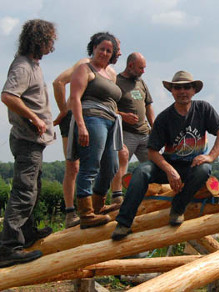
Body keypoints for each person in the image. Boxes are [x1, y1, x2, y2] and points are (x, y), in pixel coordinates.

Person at [111, 71, 219, 240]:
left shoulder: (203, 108)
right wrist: (169, 170)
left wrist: (210, 156)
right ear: (172, 91)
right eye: (178, 87)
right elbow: (152, 151)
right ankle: (123, 223)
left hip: (193, 167)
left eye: (187, 87)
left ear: (194, 90)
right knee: (141, 171)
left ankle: (178, 208)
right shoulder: (164, 118)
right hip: (170, 164)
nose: (182, 91)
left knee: (204, 169)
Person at [0, 19, 57, 268]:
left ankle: (27, 233)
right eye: (50, 40)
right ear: (40, 40)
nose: (52, 46)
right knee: (24, 192)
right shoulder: (23, 66)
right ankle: (9, 248)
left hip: (33, 140)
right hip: (26, 140)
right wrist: (34, 117)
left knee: (33, 189)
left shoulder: (33, 64)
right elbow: (8, 96)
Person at [52, 33, 122, 228]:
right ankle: (86, 213)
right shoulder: (85, 68)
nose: (105, 53)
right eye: (102, 49)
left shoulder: (111, 74)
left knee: (111, 166)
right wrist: (81, 125)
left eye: (109, 50)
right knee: (90, 165)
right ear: (94, 48)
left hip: (111, 121)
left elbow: (112, 100)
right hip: (92, 118)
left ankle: (98, 206)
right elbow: (75, 98)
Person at [109, 52, 155, 203]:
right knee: (120, 164)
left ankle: (155, 196)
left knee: (154, 165)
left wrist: (154, 126)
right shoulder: (116, 81)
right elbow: (108, 108)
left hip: (144, 133)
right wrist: (123, 115)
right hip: (125, 133)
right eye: (141, 68)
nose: (143, 71)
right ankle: (117, 198)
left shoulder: (141, 82)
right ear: (130, 66)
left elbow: (148, 105)